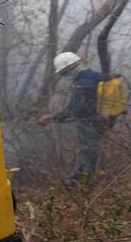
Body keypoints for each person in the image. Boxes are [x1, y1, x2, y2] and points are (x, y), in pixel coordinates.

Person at [38, 52, 105, 186]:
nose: (66, 76)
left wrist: (51, 118)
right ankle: (72, 183)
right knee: (85, 155)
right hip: (94, 123)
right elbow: (74, 108)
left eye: (65, 72)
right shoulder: (92, 76)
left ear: (72, 68)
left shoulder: (84, 82)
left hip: (89, 124)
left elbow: (74, 110)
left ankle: (87, 189)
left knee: (89, 157)